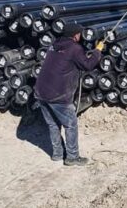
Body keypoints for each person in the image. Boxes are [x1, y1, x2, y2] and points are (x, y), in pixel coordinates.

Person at [33, 21, 104, 166]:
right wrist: (98, 51)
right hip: (57, 94)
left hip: (40, 92)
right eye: (79, 33)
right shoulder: (74, 48)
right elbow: (88, 65)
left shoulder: (54, 46)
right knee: (70, 124)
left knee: (53, 125)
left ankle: (57, 154)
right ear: (76, 35)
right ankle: (72, 157)